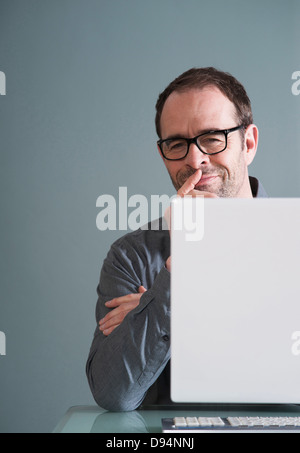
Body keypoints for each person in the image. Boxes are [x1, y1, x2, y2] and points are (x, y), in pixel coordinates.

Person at [86, 67, 267, 411]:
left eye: (213, 138)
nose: (195, 159)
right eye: (177, 144)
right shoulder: (131, 256)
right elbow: (114, 394)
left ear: (248, 143)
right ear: (162, 153)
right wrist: (180, 273)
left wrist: (151, 308)